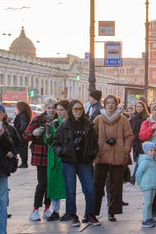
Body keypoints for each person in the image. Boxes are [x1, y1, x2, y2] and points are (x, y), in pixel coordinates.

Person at [52, 100, 99, 227]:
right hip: (69, 161)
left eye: (80, 109)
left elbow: (95, 142)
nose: (78, 112)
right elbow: (55, 144)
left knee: (89, 188)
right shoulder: (64, 126)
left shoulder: (88, 124)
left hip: (84, 161)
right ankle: (72, 214)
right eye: (75, 109)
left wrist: (92, 154)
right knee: (70, 189)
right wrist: (62, 152)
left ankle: (90, 214)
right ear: (71, 111)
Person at [93, 94, 134, 224]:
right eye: (108, 103)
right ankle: (92, 212)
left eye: (112, 103)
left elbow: (129, 136)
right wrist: (95, 150)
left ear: (116, 105)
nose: (110, 105)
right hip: (101, 156)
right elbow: (92, 136)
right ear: (104, 104)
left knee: (116, 186)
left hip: (118, 156)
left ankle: (112, 212)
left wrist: (125, 149)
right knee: (97, 185)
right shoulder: (98, 119)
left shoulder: (122, 119)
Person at [24, 98, 56, 220]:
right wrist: (34, 134)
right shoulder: (37, 119)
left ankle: (47, 208)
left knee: (50, 183)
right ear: (45, 108)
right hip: (41, 156)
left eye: (53, 108)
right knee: (42, 183)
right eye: (49, 108)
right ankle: (35, 209)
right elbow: (25, 135)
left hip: (54, 156)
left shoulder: (58, 120)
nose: (51, 110)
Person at [41, 100, 69, 220]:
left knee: (68, 185)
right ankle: (55, 210)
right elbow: (47, 141)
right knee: (53, 183)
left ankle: (69, 210)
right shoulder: (53, 123)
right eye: (58, 110)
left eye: (61, 109)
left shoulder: (71, 123)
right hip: (54, 157)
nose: (59, 112)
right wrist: (47, 134)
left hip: (66, 157)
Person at [0, 108, 15, 234]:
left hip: (0, 168)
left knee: (1, 200)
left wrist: (1, 135)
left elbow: (9, 146)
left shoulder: (0, 127)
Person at [134, 142, 156, 228]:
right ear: (146, 152)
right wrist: (139, 182)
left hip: (152, 185)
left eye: (154, 150)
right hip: (147, 185)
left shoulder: (152, 160)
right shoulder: (145, 161)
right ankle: (145, 219)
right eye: (151, 150)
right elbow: (139, 172)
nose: (153, 152)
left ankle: (149, 218)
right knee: (147, 202)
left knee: (150, 202)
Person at [130, 99, 150, 178]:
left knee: (140, 158)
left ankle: (134, 176)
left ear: (143, 108)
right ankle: (140, 175)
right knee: (140, 159)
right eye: (137, 107)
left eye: (140, 107)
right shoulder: (133, 118)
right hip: (135, 141)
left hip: (143, 141)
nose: (138, 108)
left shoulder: (146, 118)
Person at [13, 101, 33, 168]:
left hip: (21, 135)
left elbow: (23, 125)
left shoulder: (22, 115)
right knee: (24, 148)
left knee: (22, 148)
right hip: (23, 134)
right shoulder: (26, 114)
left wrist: (19, 133)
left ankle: (24, 163)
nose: (16, 107)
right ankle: (24, 162)